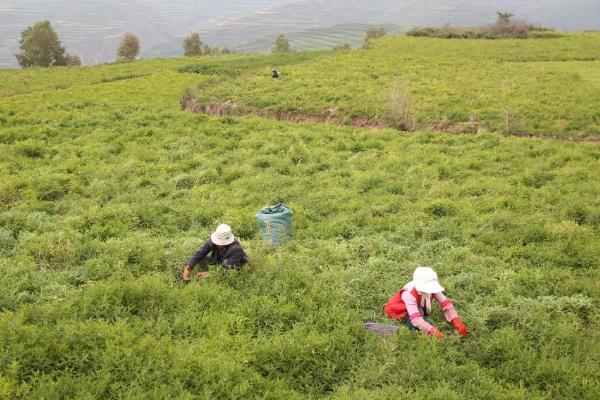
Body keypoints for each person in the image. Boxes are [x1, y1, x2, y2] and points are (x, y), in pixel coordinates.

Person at [384, 266, 468, 339]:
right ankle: (408, 328)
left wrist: (455, 319)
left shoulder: (432, 289)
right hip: (399, 310)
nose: (430, 291)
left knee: (421, 311)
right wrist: (431, 330)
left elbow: (445, 303)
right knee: (419, 313)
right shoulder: (408, 294)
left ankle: (419, 323)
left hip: (415, 305)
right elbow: (416, 319)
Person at [182, 224, 248, 281]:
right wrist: (188, 268)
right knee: (200, 259)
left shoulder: (236, 250)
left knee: (226, 269)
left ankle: (211, 273)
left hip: (234, 265)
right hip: (219, 259)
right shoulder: (212, 241)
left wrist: (210, 274)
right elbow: (200, 252)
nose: (219, 244)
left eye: (222, 243)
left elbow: (227, 271)